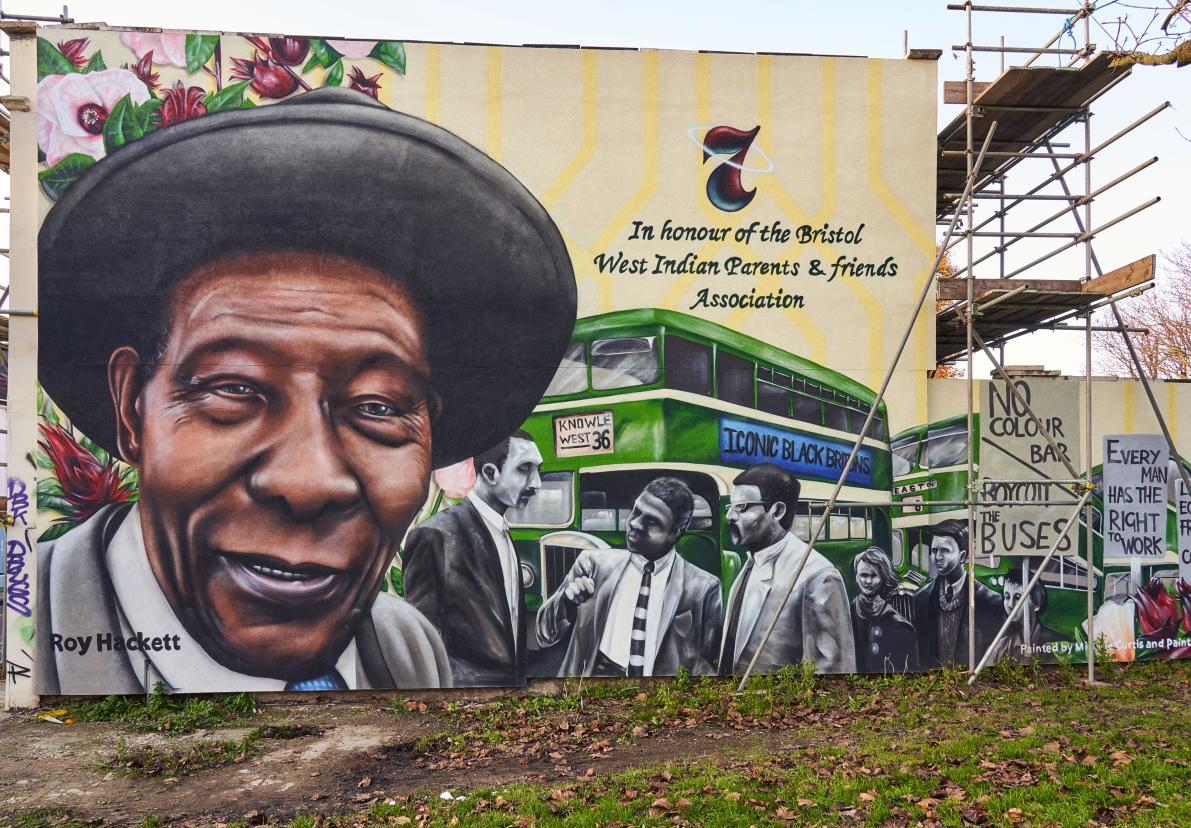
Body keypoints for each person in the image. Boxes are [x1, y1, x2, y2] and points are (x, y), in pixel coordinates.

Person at [34, 87, 577, 694]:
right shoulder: (38, 623)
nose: (309, 481)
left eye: (377, 406)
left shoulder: (408, 649)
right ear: (133, 407)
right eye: (233, 388)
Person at [535, 477, 722, 677]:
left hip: (661, 695)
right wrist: (567, 602)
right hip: (593, 686)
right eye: (636, 511)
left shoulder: (703, 588)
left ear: (675, 532)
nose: (635, 523)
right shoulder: (592, 565)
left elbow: (709, 665)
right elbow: (544, 633)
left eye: (652, 521)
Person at [402, 430, 543, 686]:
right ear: (490, 473)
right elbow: (423, 641)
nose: (537, 483)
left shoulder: (503, 532)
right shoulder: (435, 534)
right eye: (525, 469)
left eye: (537, 470)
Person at [718, 464, 856, 676]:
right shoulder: (750, 563)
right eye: (731, 506)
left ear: (778, 511)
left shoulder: (818, 576)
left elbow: (833, 671)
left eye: (742, 507)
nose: (730, 516)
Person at [911, 519, 1005, 669]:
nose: (938, 557)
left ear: (962, 556)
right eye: (935, 550)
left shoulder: (989, 601)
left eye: (945, 551)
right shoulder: (921, 598)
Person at [850, 547, 919, 674]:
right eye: (863, 575)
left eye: (874, 576)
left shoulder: (901, 627)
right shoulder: (848, 616)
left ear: (883, 578)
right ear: (856, 577)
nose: (868, 581)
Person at [988, 562, 1070, 664]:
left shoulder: (1059, 642)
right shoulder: (1001, 645)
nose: (1010, 604)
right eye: (1007, 596)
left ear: (1036, 604)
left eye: (1018, 597)